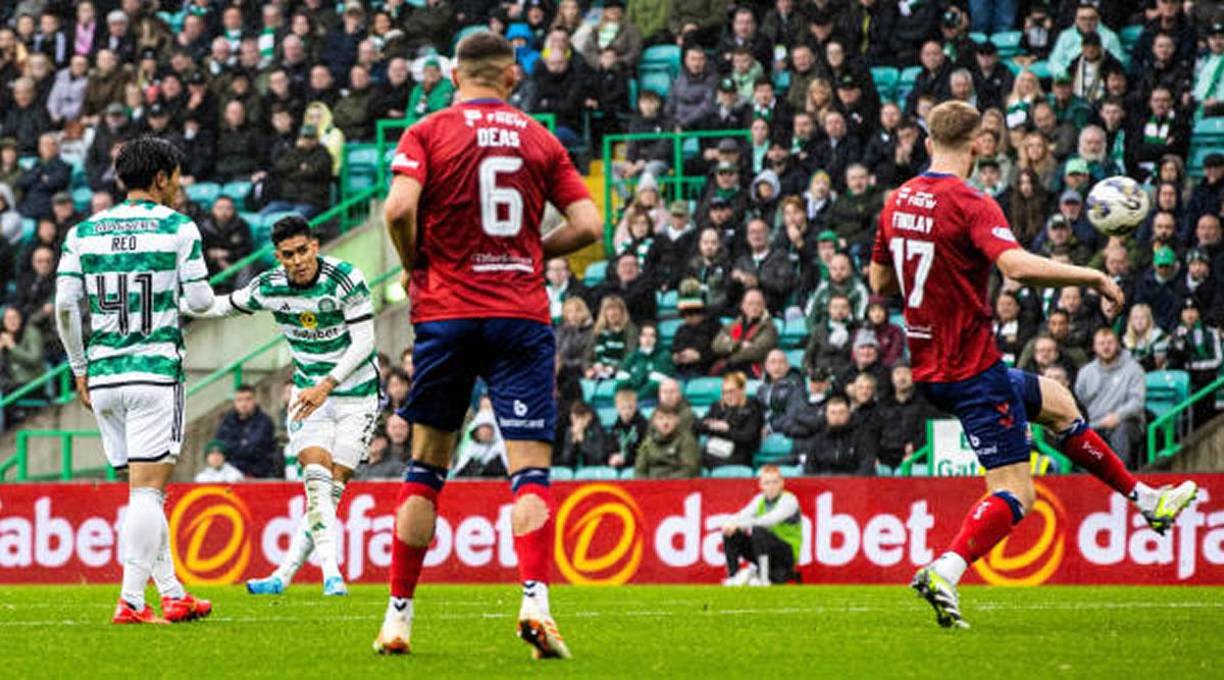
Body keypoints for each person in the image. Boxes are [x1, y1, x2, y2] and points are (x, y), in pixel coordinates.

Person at [869, 101, 1197, 629]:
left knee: (1058, 402)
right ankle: (945, 571)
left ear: (930, 143)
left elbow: (881, 285)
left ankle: (1145, 498)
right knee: (1016, 493)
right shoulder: (973, 202)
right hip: (971, 370)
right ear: (979, 144)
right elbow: (1016, 268)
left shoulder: (897, 201)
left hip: (929, 363)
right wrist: (1090, 277)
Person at [379, 32, 602, 658]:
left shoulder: (427, 132)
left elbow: (398, 209)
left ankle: (398, 618)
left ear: (454, 75)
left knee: (425, 468)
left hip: (447, 313)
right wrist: (533, 250)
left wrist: (416, 260)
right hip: (520, 316)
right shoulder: (539, 137)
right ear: (511, 77)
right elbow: (588, 225)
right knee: (529, 471)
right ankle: (536, 603)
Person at [54, 136, 215, 624]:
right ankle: (131, 599)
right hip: (154, 373)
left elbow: (64, 306)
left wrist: (79, 367)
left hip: (103, 378)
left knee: (140, 490)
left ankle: (172, 592)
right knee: (148, 492)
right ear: (162, 177)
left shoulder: (84, 232)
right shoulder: (179, 228)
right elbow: (203, 301)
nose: (179, 185)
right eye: (177, 176)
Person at [185, 215, 379, 597]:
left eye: (303, 251)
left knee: (331, 491)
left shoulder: (345, 279)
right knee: (316, 482)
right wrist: (163, 301)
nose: (298, 260)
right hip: (309, 399)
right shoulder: (269, 287)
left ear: (316, 246)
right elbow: (221, 306)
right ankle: (331, 574)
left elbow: (364, 342)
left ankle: (283, 575)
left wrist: (328, 384)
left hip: (357, 396)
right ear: (278, 256)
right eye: (288, 254)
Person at [1074, 328, 1146, 468]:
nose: (1106, 347)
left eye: (1110, 342)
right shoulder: (1086, 372)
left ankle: (1121, 478)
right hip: (1094, 425)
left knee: (1121, 430)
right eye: (1101, 343)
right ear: (1094, 347)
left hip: (1126, 423)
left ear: (1117, 344)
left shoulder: (1134, 369)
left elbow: (1137, 402)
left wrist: (1118, 416)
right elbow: (1078, 402)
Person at [721, 465, 801, 586]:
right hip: (766, 550)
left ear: (782, 483)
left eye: (775, 482)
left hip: (786, 553)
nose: (771, 486)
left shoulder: (789, 500)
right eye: (767, 483)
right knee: (731, 532)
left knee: (758, 530)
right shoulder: (759, 500)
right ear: (761, 485)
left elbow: (770, 520)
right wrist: (729, 524)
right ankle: (733, 576)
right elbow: (743, 514)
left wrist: (739, 524)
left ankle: (763, 577)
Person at [696, 371, 763, 469]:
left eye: (731, 392)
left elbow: (749, 437)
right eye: (724, 392)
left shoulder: (752, 408)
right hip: (713, 452)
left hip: (738, 455)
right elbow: (698, 425)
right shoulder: (718, 406)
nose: (727, 396)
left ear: (741, 390)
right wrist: (712, 426)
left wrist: (727, 430)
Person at [214, 385, 281, 479]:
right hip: (230, 472)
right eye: (239, 400)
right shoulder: (227, 420)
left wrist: (233, 446)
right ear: (234, 402)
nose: (243, 404)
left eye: (248, 399)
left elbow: (252, 449)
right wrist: (242, 443)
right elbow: (219, 446)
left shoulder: (264, 421)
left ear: (255, 400)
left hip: (257, 473)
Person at [633, 404, 701, 479]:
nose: (665, 422)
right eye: (661, 418)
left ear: (676, 420)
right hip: (651, 485)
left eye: (669, 418)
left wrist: (665, 481)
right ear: (655, 421)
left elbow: (689, 470)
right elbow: (639, 470)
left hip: (677, 485)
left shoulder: (686, 440)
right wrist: (647, 485)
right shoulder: (648, 442)